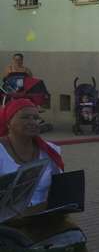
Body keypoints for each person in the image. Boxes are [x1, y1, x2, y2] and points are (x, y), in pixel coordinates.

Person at [0, 99, 73, 241]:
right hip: (6, 226)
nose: (32, 122)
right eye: (25, 117)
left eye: (36, 118)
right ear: (8, 122)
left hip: (45, 218)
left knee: (75, 237)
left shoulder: (50, 150)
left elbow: (58, 188)